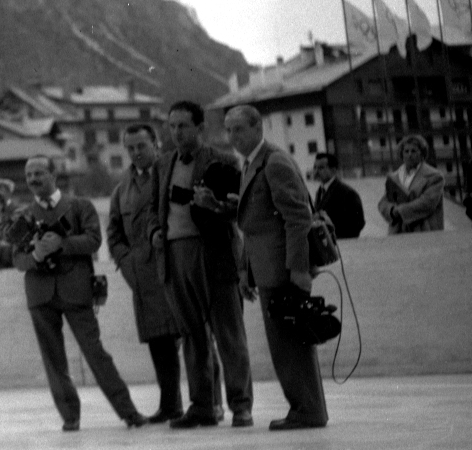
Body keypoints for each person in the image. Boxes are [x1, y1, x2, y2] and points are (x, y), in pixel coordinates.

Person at [13, 155, 146, 432]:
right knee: (53, 360)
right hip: (40, 295)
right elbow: (18, 260)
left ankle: (128, 412)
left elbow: (94, 241)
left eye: (39, 173)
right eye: (29, 176)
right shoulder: (23, 216)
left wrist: (61, 244)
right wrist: (36, 254)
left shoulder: (79, 206)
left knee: (95, 353)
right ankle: (70, 417)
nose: (33, 180)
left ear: (54, 175)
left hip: (76, 291)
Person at [224, 105, 326, 430]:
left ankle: (308, 410)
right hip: (267, 267)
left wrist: (298, 270)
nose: (233, 137)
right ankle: (304, 407)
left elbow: (298, 218)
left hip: (282, 269)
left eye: (238, 129)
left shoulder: (274, 161)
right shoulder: (253, 164)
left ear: (257, 127)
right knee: (283, 342)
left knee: (291, 343)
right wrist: (245, 271)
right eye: (228, 130)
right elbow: (251, 226)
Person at [158, 99, 253, 429]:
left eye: (183, 126)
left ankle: (240, 405)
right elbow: (156, 210)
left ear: (200, 128)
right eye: (172, 126)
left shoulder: (224, 160)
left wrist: (214, 205)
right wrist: (157, 231)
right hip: (174, 255)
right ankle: (202, 405)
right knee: (192, 335)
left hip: (213, 254)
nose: (176, 132)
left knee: (228, 334)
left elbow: (242, 211)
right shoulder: (164, 163)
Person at [105, 123, 188, 424]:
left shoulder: (171, 173)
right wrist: (126, 263)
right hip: (142, 275)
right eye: (130, 148)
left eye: (141, 146)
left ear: (156, 143)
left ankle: (207, 403)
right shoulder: (121, 190)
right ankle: (170, 405)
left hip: (175, 267)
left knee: (192, 338)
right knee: (159, 343)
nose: (136, 153)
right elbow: (113, 233)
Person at [378, 134, 446, 233]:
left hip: (424, 231)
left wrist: (400, 211)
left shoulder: (434, 176)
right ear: (402, 154)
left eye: (414, 151)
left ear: (422, 154)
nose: (409, 155)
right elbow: (383, 202)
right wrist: (392, 211)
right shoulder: (394, 177)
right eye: (406, 151)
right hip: (398, 232)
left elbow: (427, 203)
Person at [308, 152, 366, 241]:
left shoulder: (347, 193)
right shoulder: (320, 191)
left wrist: (334, 233)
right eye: (315, 167)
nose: (316, 172)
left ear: (333, 170)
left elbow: (358, 223)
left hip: (343, 245)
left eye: (321, 168)